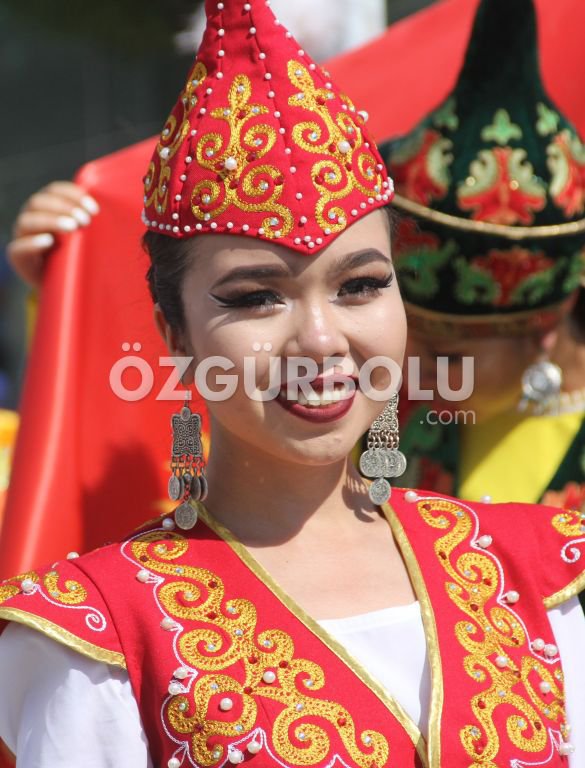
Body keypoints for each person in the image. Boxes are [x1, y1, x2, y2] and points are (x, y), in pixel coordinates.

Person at [0, 1, 583, 766]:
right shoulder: (100, 633)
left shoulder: (542, 573)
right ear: (175, 336)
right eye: (255, 297)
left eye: (360, 285)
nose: (319, 339)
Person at [379, 0, 585, 509]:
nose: (412, 371)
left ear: (543, 331)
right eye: (409, 338)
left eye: (448, 357)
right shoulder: (383, 424)